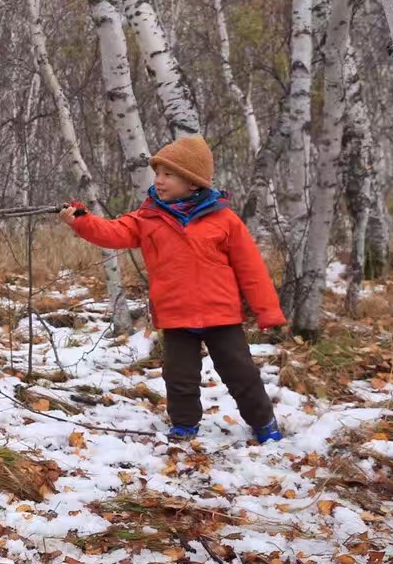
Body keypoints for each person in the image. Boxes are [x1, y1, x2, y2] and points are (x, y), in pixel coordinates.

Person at [58, 135, 287, 444]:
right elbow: (112, 232)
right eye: (158, 174)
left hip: (221, 315)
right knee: (179, 377)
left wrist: (267, 310)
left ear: (192, 183)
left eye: (169, 174)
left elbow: (251, 269)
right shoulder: (148, 218)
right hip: (176, 315)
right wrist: (83, 221)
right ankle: (184, 425)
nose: (160, 181)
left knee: (240, 374)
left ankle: (263, 423)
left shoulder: (224, 220)